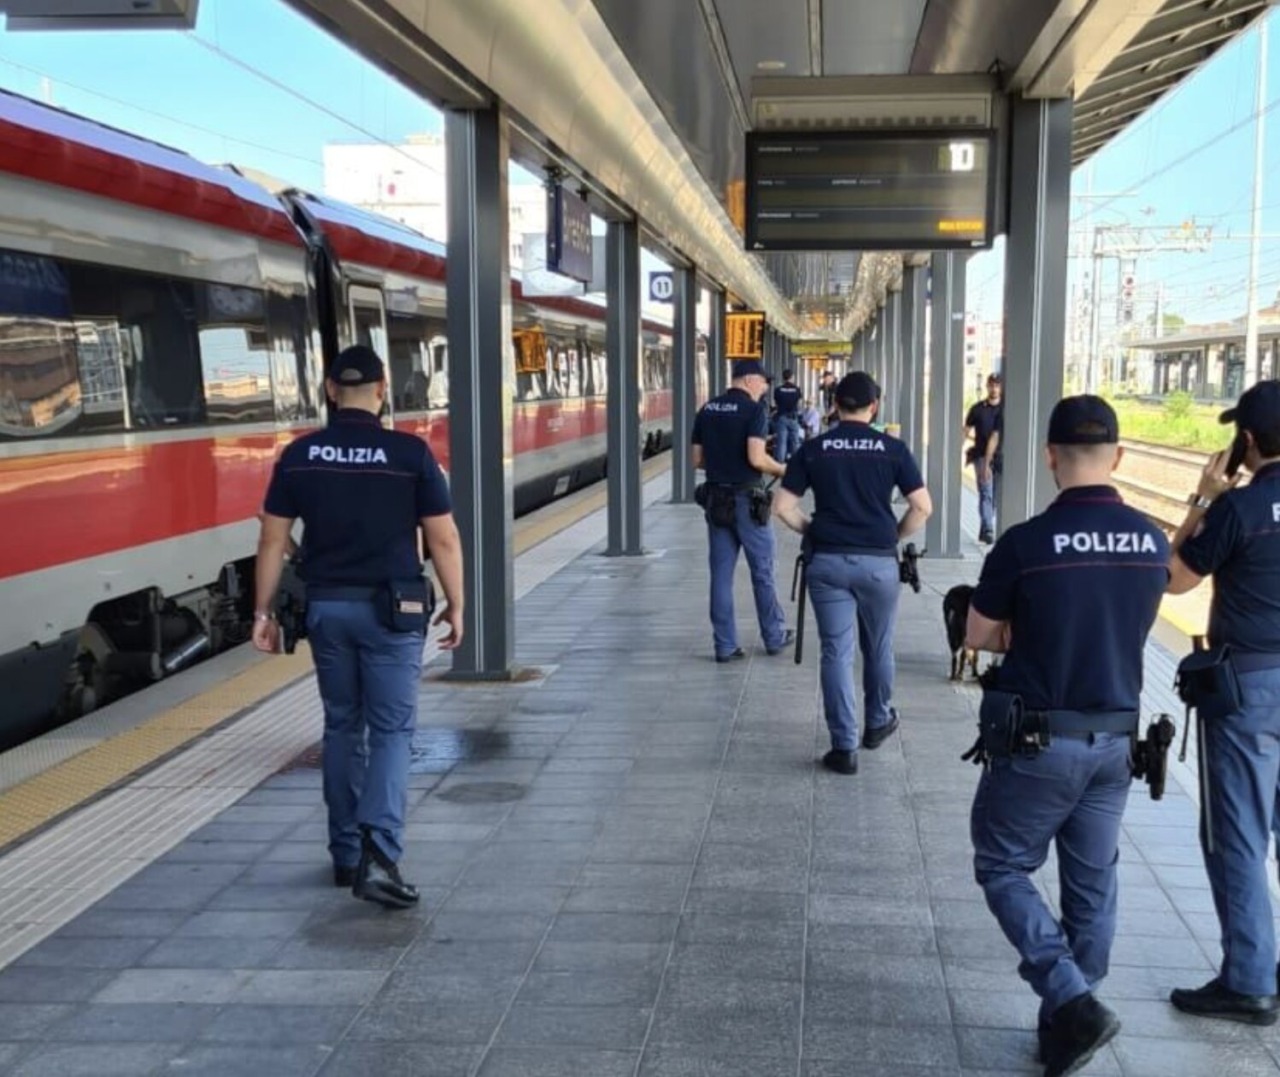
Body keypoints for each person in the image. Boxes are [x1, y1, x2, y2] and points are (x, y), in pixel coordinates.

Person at [964, 395, 1168, 1076]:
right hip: (1116, 742)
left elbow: (980, 636)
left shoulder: (1025, 542)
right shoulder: (1151, 541)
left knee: (1001, 863)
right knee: (1092, 884)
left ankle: (1072, 1000)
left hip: (1038, 742)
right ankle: (1066, 1024)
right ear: (1118, 455)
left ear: (1050, 456)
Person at [252, 344, 465, 910]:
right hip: (393, 612)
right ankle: (381, 854)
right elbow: (442, 538)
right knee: (392, 731)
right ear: (383, 389)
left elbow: (272, 540)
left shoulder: (299, 456)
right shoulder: (409, 453)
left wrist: (262, 612)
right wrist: (458, 603)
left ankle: (345, 853)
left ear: (328, 390)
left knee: (343, 726)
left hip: (328, 610)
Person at [1165, 379, 1280, 1026]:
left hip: (1252, 689)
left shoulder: (1239, 508)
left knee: (1238, 833)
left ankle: (1249, 978)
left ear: (1249, 440)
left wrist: (1202, 501)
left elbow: (1174, 574)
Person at [773, 372, 931, 774]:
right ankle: (877, 722)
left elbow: (783, 508)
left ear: (836, 406)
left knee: (836, 652)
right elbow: (922, 507)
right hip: (878, 562)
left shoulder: (814, 449)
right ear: (874, 406)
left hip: (827, 562)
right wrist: (892, 536)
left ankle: (843, 747)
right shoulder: (893, 449)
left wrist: (813, 530)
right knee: (878, 646)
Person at [692, 358, 793, 663]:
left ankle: (724, 645)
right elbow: (757, 459)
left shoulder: (707, 409)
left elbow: (697, 459)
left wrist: (722, 467)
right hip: (747, 501)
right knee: (762, 571)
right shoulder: (754, 411)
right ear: (750, 380)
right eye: (764, 383)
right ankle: (773, 636)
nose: (765, 389)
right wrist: (785, 469)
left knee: (720, 575)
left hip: (716, 501)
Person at [965, 373, 1003, 543]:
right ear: (987, 386)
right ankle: (988, 528)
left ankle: (984, 527)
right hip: (981, 456)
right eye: (991, 385)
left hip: (1001, 457)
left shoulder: (1006, 410)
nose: (994, 388)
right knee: (986, 492)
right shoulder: (977, 409)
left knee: (994, 497)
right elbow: (965, 431)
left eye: (997, 385)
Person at [772, 368, 803, 462]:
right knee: (795, 442)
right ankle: (796, 463)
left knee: (781, 442)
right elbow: (799, 404)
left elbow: (776, 403)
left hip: (781, 417)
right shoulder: (797, 389)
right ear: (792, 377)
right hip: (793, 417)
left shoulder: (778, 390)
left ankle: (779, 464)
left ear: (783, 378)